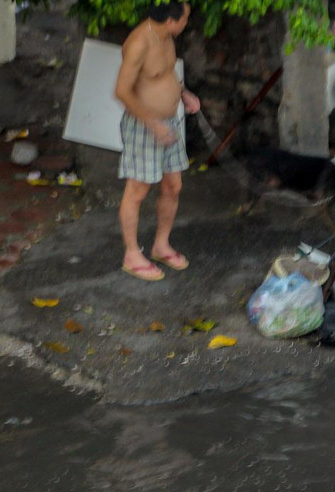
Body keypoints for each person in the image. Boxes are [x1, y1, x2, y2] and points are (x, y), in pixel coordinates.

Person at [114, 0, 199, 283]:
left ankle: (161, 245)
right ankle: (131, 254)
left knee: (173, 186)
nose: (187, 22)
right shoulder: (139, 42)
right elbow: (122, 91)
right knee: (137, 190)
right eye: (185, 18)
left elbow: (165, 73)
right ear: (171, 20)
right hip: (144, 126)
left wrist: (183, 92)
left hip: (170, 123)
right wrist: (152, 124)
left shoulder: (166, 37)